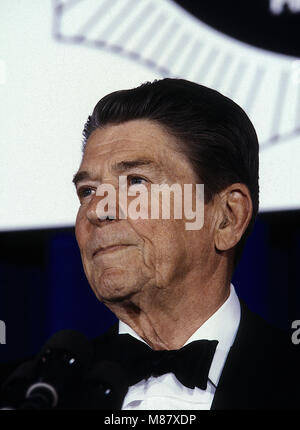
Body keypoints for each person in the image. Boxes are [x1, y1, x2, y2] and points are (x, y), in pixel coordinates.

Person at [73, 78, 298, 410]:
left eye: (136, 182)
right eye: (87, 190)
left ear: (227, 218)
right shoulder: (30, 392)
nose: (96, 210)